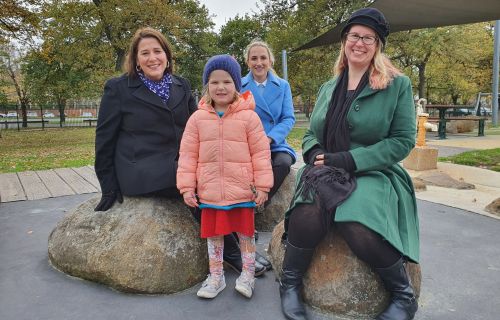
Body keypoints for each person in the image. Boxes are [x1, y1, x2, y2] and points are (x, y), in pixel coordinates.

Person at [279, 8, 419, 320]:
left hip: (372, 170)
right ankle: (289, 284)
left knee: (355, 220)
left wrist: (347, 159)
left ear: (378, 45)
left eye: (368, 38)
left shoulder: (398, 84)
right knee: (308, 213)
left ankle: (403, 295)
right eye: (354, 35)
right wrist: (315, 152)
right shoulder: (329, 87)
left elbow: (402, 141)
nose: (360, 42)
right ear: (345, 41)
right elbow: (312, 131)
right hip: (325, 167)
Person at [94, 27, 267, 276]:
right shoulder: (118, 89)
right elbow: (104, 140)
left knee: (215, 176)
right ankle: (233, 252)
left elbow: (197, 128)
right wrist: (108, 187)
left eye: (158, 51)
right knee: (195, 182)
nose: (152, 58)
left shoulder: (181, 85)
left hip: (178, 159)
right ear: (136, 60)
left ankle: (239, 238)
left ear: (167, 56)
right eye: (145, 53)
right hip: (139, 166)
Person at [177, 54, 273, 299]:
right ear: (207, 85)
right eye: (214, 82)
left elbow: (261, 153)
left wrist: (262, 186)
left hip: (242, 190)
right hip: (210, 192)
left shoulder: (249, 118)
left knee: (245, 235)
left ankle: (248, 274)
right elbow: (187, 155)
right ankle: (216, 276)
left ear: (237, 85)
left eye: (227, 81)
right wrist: (187, 187)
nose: (221, 87)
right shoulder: (197, 119)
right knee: (214, 236)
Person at [241, 40, 296, 270]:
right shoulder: (239, 85)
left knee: (283, 162)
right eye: (254, 58)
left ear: (271, 60)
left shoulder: (282, 86)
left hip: (273, 143)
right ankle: (244, 217)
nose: (259, 62)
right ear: (247, 61)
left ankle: (253, 208)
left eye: (263, 58)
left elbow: (288, 118)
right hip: (246, 143)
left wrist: (270, 138)